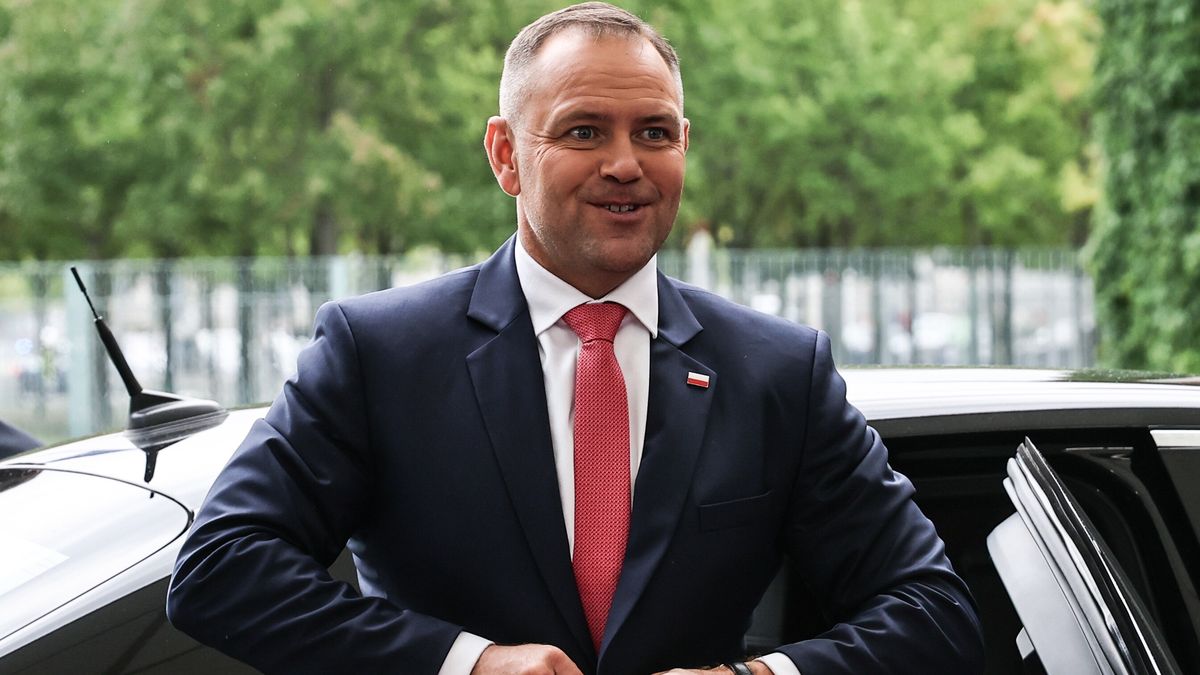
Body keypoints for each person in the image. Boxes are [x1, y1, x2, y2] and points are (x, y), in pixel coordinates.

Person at [166, 3, 984, 674]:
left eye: (655, 133)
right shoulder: (379, 353)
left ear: (685, 147)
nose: (626, 163)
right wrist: (469, 664)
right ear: (505, 154)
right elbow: (220, 567)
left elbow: (932, 610)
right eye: (584, 131)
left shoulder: (776, 371)